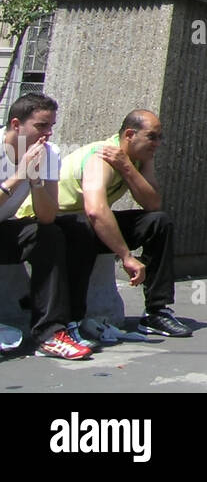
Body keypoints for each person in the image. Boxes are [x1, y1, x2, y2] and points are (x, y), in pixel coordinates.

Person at [21, 109, 190, 337]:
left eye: (160, 137)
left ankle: (156, 311)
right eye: (152, 137)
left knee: (158, 222)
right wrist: (126, 256)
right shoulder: (101, 156)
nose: (158, 143)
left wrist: (128, 168)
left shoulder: (138, 159)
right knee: (86, 227)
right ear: (130, 134)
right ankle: (74, 319)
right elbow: (96, 211)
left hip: (84, 221)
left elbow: (152, 204)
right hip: (49, 221)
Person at [0, 93, 91, 360]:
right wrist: (19, 176)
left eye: (51, 126)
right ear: (16, 125)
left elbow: (48, 216)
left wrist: (37, 181)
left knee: (57, 231)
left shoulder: (49, 153)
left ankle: (53, 332)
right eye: (41, 126)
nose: (48, 133)